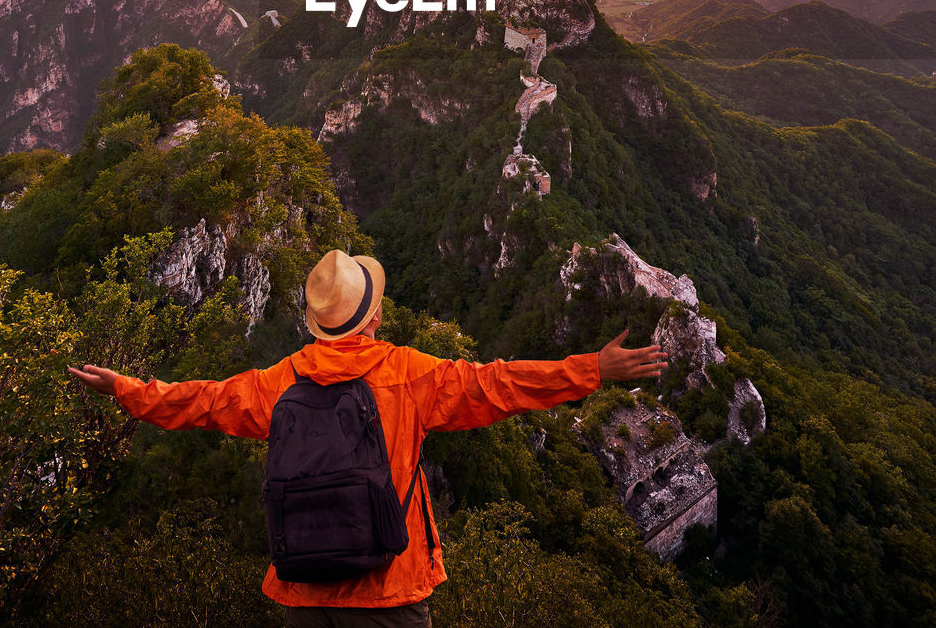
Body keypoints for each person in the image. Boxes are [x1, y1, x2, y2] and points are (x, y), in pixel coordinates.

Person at [70, 249, 667, 627]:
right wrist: (592, 369)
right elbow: (499, 385)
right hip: (388, 593)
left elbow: (199, 402)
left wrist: (127, 389)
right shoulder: (409, 376)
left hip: (302, 593)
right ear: (374, 317)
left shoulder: (277, 384)